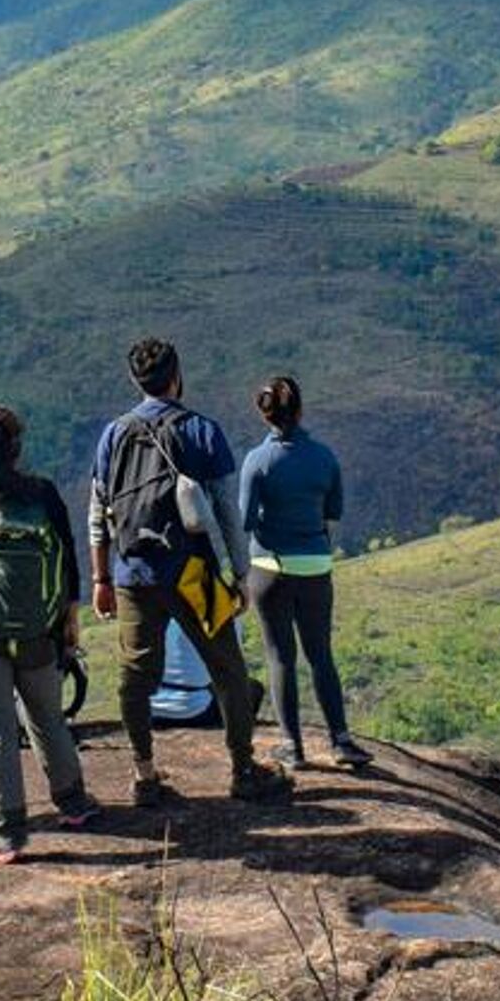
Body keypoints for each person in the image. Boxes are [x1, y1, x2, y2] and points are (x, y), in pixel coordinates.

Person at [87, 337, 293, 807]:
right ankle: (243, 770)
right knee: (229, 671)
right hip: (192, 573)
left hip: (133, 572)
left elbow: (98, 512)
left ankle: (144, 775)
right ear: (177, 376)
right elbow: (225, 511)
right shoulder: (202, 431)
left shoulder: (114, 434)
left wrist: (100, 578)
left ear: (134, 381)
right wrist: (240, 576)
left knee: (135, 676)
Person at [0, 403, 98, 865]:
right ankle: (73, 804)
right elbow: (65, 556)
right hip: (38, 631)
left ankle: (6, 833)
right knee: (47, 715)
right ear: (13, 450)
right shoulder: (41, 494)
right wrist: (69, 618)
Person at [238, 376, 367, 772]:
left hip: (269, 568)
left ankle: (292, 748)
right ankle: (341, 740)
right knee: (320, 654)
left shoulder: (257, 461)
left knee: (280, 658)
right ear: (301, 409)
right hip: (315, 566)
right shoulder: (324, 457)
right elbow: (333, 512)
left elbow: (244, 519)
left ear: (265, 416)